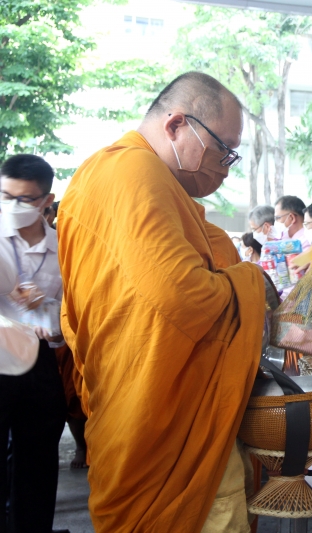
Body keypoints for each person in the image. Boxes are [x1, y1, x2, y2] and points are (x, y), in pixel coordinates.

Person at [58, 72, 266, 532]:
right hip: (162, 427)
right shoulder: (130, 171)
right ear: (176, 126)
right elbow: (182, 294)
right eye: (222, 149)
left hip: (152, 410)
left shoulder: (154, 187)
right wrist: (250, 281)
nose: (226, 165)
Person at [0, 154, 69, 533]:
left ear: (47, 200)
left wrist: (49, 319)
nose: (11, 206)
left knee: (39, 457)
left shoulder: (65, 250)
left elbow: (68, 314)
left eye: (24, 199)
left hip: (38, 361)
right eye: (4, 195)